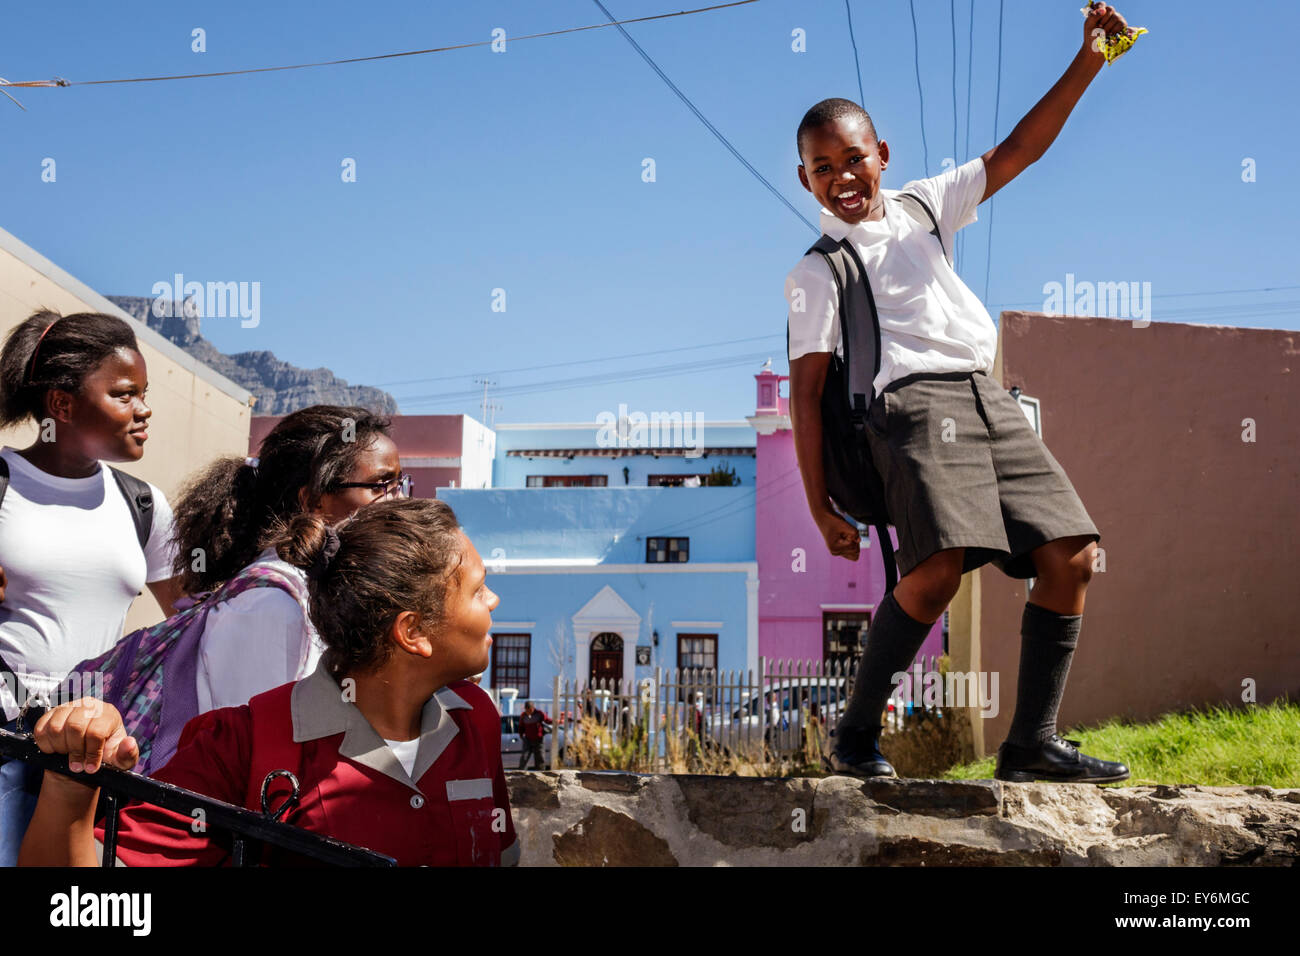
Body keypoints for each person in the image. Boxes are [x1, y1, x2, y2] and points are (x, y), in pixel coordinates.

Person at [785, 6, 1133, 784]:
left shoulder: (923, 206)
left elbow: (1017, 151)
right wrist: (819, 507)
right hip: (911, 411)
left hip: (988, 398)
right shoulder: (817, 272)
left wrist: (1091, 60)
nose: (842, 178)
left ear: (882, 154)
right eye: (822, 167)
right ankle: (853, 738)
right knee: (936, 573)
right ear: (804, 178)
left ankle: (1030, 744)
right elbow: (804, 399)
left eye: (853, 159)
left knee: (1073, 556)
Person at [19, 498, 520, 867]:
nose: (493, 601)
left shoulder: (476, 718)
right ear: (413, 633)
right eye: (478, 590)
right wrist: (72, 783)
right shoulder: (240, 743)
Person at [0, 310, 182, 866]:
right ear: (61, 405)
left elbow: (191, 627)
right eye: (125, 394)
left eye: (144, 393)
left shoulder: (144, 504)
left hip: (95, 749)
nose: (144, 409)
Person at [168, 405, 406, 715]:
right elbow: (255, 750)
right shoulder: (271, 606)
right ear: (313, 501)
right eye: (380, 486)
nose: (400, 501)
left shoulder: (324, 592)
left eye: (400, 484)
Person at [517, 700, 551, 770]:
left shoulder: (539, 713)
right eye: (526, 710)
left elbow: (547, 720)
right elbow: (521, 726)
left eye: (529, 710)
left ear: (532, 708)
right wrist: (521, 735)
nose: (527, 712)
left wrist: (556, 721)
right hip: (528, 739)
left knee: (539, 757)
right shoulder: (523, 715)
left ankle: (541, 772)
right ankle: (521, 772)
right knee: (524, 757)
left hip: (538, 740)